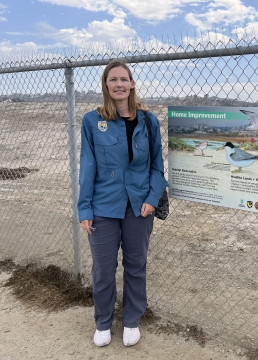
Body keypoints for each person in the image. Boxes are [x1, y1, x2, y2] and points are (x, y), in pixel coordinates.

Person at [77, 60, 167, 347]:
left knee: (135, 265)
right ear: (106, 85)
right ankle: (103, 322)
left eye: (123, 79)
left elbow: (157, 167)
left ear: (132, 84)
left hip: (139, 206)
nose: (118, 84)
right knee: (103, 269)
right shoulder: (92, 121)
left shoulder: (148, 120)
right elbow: (87, 166)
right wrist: (84, 208)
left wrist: (152, 200)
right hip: (103, 207)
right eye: (112, 79)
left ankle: (131, 320)